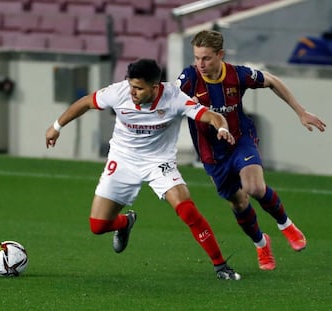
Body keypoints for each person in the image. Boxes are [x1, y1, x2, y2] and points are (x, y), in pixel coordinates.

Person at [46, 58, 241, 280]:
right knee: (98, 226)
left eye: (139, 88)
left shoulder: (174, 98)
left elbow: (210, 116)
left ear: (155, 87)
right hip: (123, 159)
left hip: (159, 162)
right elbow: (85, 103)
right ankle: (126, 222)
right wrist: (56, 127)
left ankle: (220, 265)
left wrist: (222, 127)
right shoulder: (118, 92)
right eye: (131, 86)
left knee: (186, 209)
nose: (133, 92)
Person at [176, 29, 326, 270]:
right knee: (238, 203)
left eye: (206, 58)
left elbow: (272, 81)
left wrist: (301, 111)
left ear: (220, 55)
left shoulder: (237, 75)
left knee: (254, 187)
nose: (200, 64)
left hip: (240, 140)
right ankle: (261, 243)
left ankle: (286, 225)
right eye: (196, 58)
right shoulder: (189, 78)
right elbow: (169, 101)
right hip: (212, 154)